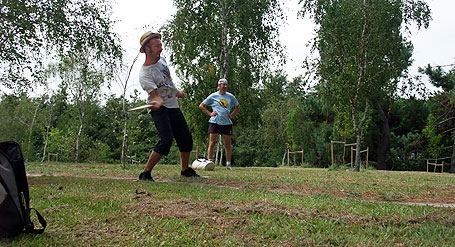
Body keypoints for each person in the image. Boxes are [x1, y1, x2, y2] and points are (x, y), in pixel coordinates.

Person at [137, 31, 199, 181]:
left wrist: (177, 91)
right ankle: (145, 173)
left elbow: (167, 81)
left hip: (173, 105)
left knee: (186, 138)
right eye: (157, 46)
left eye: (161, 45)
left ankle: (185, 170)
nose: (161, 49)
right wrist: (157, 101)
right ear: (147, 49)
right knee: (166, 140)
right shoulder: (145, 74)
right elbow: (156, 95)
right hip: (159, 109)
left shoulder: (162, 60)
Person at [199, 78, 240, 170]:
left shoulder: (230, 96)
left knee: (227, 144)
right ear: (219, 85)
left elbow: (237, 107)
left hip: (226, 123)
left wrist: (232, 115)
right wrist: (210, 114)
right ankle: (209, 163)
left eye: (226, 84)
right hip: (215, 122)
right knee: (212, 143)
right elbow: (201, 105)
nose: (225, 86)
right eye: (223, 84)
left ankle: (228, 164)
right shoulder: (213, 96)